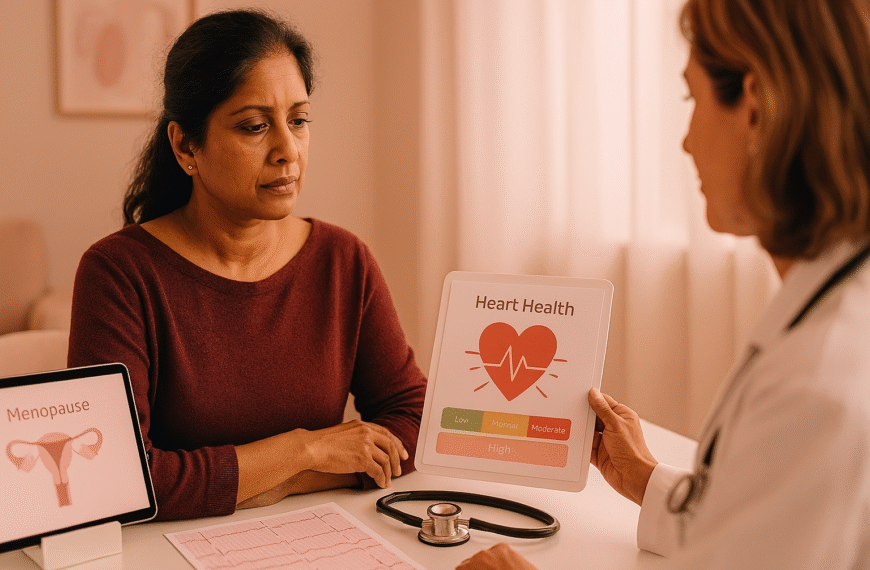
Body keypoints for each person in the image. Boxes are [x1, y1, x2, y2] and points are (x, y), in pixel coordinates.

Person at [457, 0, 870, 568]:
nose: (686, 143)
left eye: (691, 98)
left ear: (754, 110)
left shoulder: (815, 383)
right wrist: (648, 481)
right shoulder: (837, 307)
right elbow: (758, 532)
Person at [67, 9, 427, 521]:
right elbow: (117, 479)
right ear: (186, 146)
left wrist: (290, 483)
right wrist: (302, 452)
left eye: (299, 120)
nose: (288, 151)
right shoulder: (118, 274)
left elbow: (414, 418)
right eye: (255, 126)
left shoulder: (344, 261)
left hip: (315, 540)